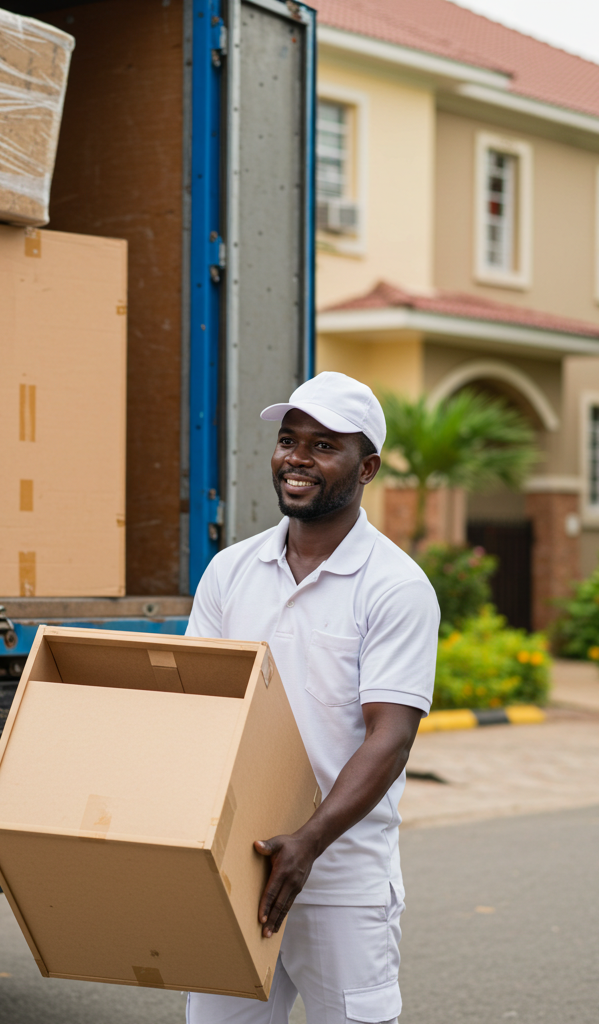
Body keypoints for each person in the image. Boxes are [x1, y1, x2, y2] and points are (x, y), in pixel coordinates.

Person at [185, 371, 440, 1024]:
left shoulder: (394, 588)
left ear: (367, 468)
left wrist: (308, 841)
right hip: (238, 870)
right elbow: (199, 708)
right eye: (289, 439)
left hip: (342, 880)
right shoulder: (230, 571)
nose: (297, 457)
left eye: (324, 445)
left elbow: (390, 736)